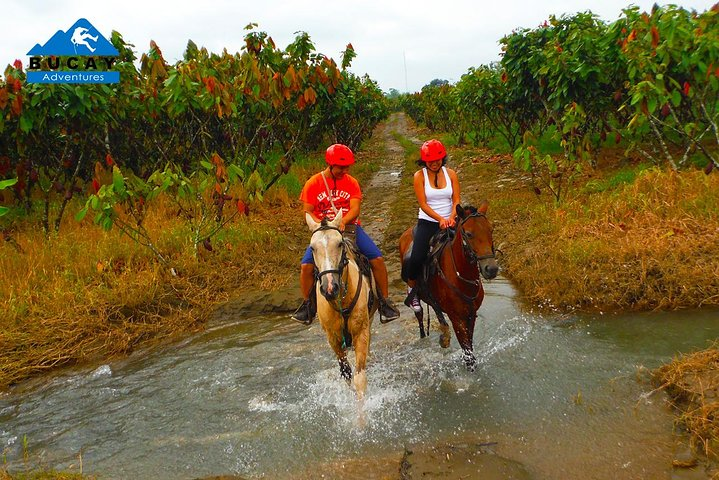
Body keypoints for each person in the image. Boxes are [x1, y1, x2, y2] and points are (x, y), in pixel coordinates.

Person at [291, 143, 401, 325]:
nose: (344, 170)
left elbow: (355, 208)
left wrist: (343, 221)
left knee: (377, 259)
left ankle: (384, 301)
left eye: (347, 167)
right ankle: (308, 306)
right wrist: (318, 225)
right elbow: (307, 210)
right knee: (306, 267)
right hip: (323, 233)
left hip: (348, 229)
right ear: (330, 164)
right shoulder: (313, 183)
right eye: (341, 167)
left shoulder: (351, 183)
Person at [403, 139, 461, 312]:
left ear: (443, 158)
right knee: (417, 257)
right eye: (431, 161)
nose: (435, 164)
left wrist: (451, 216)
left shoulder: (451, 174)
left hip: (451, 219)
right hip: (428, 221)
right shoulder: (419, 176)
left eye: (438, 160)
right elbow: (423, 204)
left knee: (470, 246)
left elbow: (456, 199)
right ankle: (412, 289)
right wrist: (439, 219)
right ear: (424, 161)